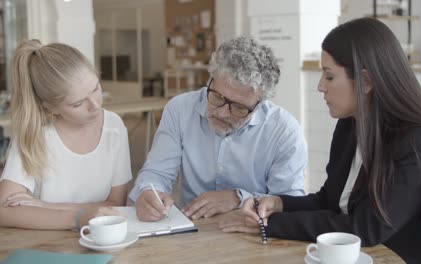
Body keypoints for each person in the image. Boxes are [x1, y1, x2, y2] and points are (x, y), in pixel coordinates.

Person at [219, 18, 421, 263]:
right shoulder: (349, 125)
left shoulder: (415, 141)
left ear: (366, 81)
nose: (320, 86)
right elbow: (331, 200)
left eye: (329, 76)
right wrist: (277, 203)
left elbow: (367, 228)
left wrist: (269, 224)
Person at [130, 36, 307, 221]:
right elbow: (157, 172)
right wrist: (149, 192)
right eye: (217, 97)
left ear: (260, 103)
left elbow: (289, 203)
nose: (222, 114)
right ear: (210, 79)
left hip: (254, 232)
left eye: (239, 107)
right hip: (192, 228)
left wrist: (238, 198)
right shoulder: (180, 109)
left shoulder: (284, 131)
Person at [0, 40, 132, 230]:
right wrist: (78, 219)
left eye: (96, 88)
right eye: (78, 103)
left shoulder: (114, 127)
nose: (95, 105)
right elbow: (3, 211)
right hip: (43, 247)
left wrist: (45, 207)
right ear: (50, 107)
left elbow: (116, 205)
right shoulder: (35, 134)